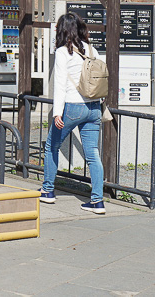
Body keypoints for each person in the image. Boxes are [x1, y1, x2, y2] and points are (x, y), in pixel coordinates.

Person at [40, 12, 105, 214]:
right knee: (92, 153)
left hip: (72, 106)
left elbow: (60, 84)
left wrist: (57, 113)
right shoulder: (91, 49)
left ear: (61, 30)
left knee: (52, 145)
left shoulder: (62, 52)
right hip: (94, 107)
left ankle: (48, 190)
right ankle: (97, 201)